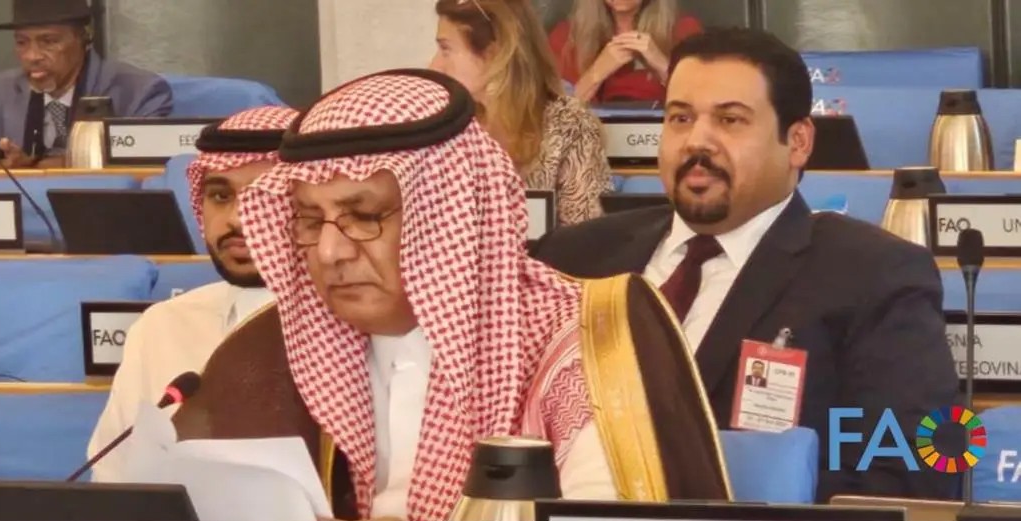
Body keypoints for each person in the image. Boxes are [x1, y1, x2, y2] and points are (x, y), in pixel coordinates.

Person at [232, 68, 731, 521]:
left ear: (449, 216)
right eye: (310, 220)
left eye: (363, 217)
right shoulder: (276, 348)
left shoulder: (581, 340)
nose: (328, 252)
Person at [533, 27, 958, 501]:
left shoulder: (873, 276)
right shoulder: (572, 259)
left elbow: (918, 469)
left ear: (798, 142)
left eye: (730, 120)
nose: (697, 141)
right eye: (680, 118)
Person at [85, 106, 296, 482]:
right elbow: (114, 480)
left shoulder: (360, 332)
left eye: (264, 197)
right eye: (221, 196)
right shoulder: (162, 327)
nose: (237, 219)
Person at [429, 0, 610, 226]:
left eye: (446, 49)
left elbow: (583, 231)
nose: (434, 66)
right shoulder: (443, 122)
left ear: (495, 54)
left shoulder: (569, 123)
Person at [0, 0, 173, 169]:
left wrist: (33, 166)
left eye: (49, 41)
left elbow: (147, 166)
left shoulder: (139, 91)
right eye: (22, 43)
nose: (32, 56)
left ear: (84, 38)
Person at [549, 0, 701, 103]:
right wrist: (596, 73)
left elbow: (702, 102)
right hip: (594, 136)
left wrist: (662, 65)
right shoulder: (566, 37)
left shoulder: (685, 30)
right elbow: (555, 118)